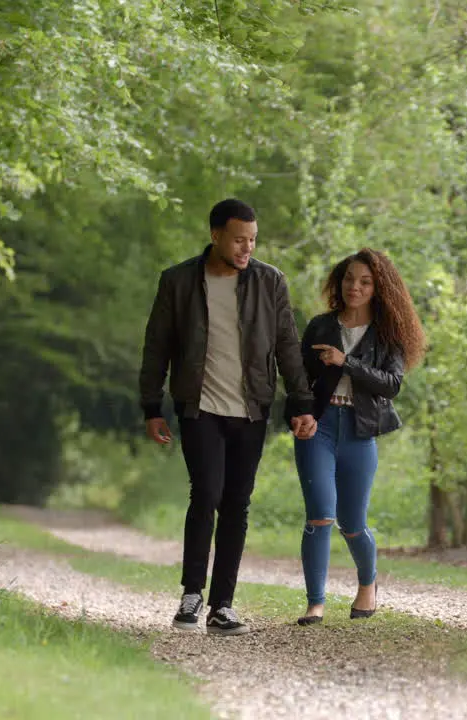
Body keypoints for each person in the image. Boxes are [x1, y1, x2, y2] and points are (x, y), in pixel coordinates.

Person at [139, 198, 318, 636]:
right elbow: (157, 346)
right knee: (206, 493)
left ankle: (223, 606)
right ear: (215, 234)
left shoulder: (270, 281)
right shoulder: (178, 281)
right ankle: (191, 595)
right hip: (199, 409)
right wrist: (151, 406)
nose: (247, 248)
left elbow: (287, 346)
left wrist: (301, 402)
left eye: (253, 240)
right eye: (239, 239)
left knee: (237, 505)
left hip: (252, 410)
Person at [293, 248, 425, 625]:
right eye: (350, 278)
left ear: (378, 288)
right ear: (340, 280)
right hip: (318, 427)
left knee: (352, 522)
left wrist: (345, 361)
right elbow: (298, 379)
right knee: (320, 515)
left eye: (365, 281)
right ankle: (315, 603)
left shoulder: (388, 335)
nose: (355, 286)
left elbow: (392, 385)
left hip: (359, 430)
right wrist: (298, 414)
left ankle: (368, 584)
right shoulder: (320, 326)